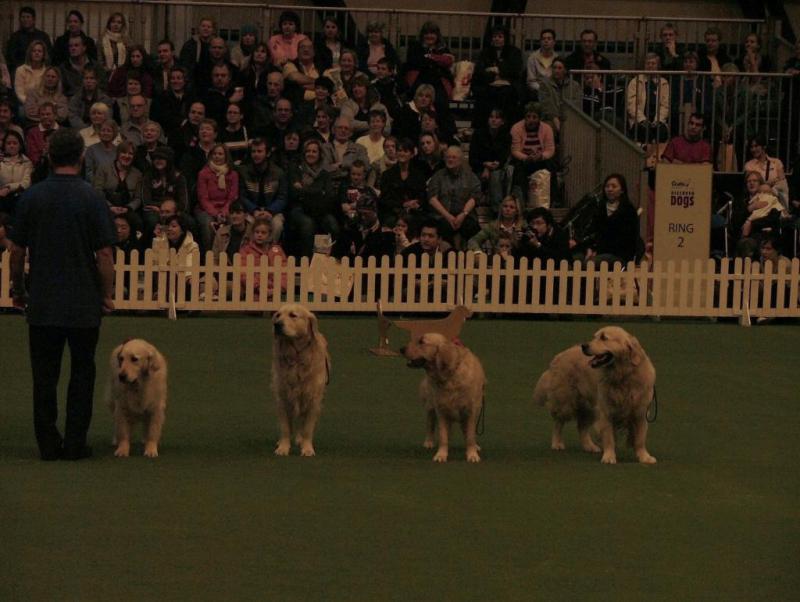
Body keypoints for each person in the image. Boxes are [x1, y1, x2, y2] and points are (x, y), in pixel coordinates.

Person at [9, 127, 115, 460]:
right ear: (81, 158)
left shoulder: (32, 197)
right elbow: (105, 255)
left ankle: (48, 443)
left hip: (43, 300)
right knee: (82, 373)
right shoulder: (92, 197)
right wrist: (106, 294)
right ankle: (75, 442)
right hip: (83, 301)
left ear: (50, 157)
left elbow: (16, 250)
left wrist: (18, 288)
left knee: (44, 376)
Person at [427, 145, 481, 249]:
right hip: (443, 216)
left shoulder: (470, 176)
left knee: (472, 228)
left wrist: (463, 214)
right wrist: (448, 216)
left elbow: (475, 197)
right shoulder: (438, 176)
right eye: (448, 157)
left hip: (465, 215)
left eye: (453, 157)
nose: (450, 160)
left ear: (460, 160)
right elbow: (432, 198)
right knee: (442, 228)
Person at [583, 173, 639, 265]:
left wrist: (598, 251)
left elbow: (627, 240)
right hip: (599, 251)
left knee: (589, 264)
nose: (610, 189)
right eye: (607, 186)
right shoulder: (599, 207)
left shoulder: (628, 210)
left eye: (614, 186)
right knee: (576, 260)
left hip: (619, 254)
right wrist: (590, 248)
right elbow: (592, 231)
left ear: (622, 190)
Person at [238, 138, 287, 242]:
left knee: (277, 225)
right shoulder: (244, 171)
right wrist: (254, 210)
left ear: (268, 153)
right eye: (253, 151)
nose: (256, 154)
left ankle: (268, 253)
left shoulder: (278, 172)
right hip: (251, 211)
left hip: (272, 211)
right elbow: (242, 196)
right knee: (248, 225)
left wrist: (270, 211)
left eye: (259, 151)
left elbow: (282, 197)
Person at [196, 144, 239, 250]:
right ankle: (210, 255)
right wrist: (216, 214)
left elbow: (232, 197)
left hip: (227, 208)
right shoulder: (203, 173)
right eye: (214, 154)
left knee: (236, 221)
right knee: (207, 224)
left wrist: (224, 212)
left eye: (220, 154)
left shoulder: (233, 174)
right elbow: (203, 198)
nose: (217, 156)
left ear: (226, 156)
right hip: (206, 209)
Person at [469, 108, 511, 213]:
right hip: (479, 169)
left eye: (497, 118)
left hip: (499, 170)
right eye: (491, 117)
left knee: (496, 176)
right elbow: (472, 159)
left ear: (502, 121)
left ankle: (497, 211)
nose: (493, 120)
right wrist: (485, 165)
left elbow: (503, 158)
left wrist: (492, 166)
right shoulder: (478, 134)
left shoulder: (506, 136)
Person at [378, 138, 428, 227]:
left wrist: (417, 203)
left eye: (405, 151)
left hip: (414, 213)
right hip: (393, 213)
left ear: (412, 154)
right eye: (399, 151)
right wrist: (403, 204)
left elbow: (423, 196)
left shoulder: (418, 175)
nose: (401, 153)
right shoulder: (387, 175)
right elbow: (385, 199)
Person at [238, 217, 287, 297]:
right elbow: (244, 273)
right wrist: (258, 287)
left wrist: (279, 288)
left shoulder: (277, 250)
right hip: (253, 290)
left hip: (275, 291)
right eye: (257, 232)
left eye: (263, 233)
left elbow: (284, 272)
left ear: (269, 234)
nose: (259, 235)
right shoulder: (245, 250)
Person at [5, 6, 53, 73]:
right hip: (20, 71)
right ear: (20, 19)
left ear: (34, 19)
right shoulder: (14, 37)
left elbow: (48, 56)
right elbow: (10, 58)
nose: (25, 19)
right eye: (23, 17)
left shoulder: (43, 36)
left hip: (40, 71)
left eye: (28, 17)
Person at [0, 130, 33, 215]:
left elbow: (26, 182)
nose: (11, 146)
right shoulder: (1, 161)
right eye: (8, 143)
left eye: (15, 143)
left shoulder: (27, 162)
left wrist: (8, 188)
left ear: (20, 146)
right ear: (4, 145)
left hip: (20, 198)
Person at [13, 40, 48, 107]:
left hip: (43, 105)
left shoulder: (47, 71)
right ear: (30, 53)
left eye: (39, 51)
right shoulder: (20, 70)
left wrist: (41, 104)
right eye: (34, 51)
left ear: (44, 54)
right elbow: (19, 93)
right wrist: (30, 103)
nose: (36, 53)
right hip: (24, 104)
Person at [526, 29, 558, 95]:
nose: (546, 41)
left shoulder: (557, 58)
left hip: (554, 91)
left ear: (554, 42)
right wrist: (542, 90)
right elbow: (531, 81)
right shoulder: (532, 58)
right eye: (543, 39)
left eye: (549, 39)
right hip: (536, 92)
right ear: (540, 42)